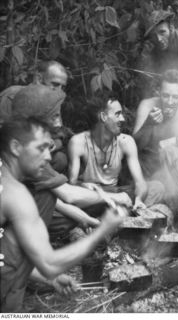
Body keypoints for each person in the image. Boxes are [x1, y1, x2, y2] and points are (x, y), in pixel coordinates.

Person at [0, 117, 121, 312]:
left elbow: (6, 255)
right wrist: (103, 229)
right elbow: (49, 263)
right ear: (15, 147)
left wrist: (53, 279)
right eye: (41, 148)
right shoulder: (15, 195)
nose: (49, 157)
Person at [11, 84, 116, 238]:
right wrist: (114, 197)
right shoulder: (25, 151)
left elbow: (49, 191)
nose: (59, 123)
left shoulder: (21, 141)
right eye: (54, 116)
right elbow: (67, 194)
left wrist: (83, 217)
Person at [68, 95, 164, 210]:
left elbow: (140, 182)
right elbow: (71, 184)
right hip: (92, 195)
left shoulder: (126, 141)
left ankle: (127, 211)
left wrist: (138, 198)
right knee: (77, 197)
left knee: (156, 187)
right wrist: (83, 185)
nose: (122, 119)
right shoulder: (78, 142)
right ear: (103, 117)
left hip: (117, 192)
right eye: (117, 114)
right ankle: (117, 214)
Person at [133, 69, 178, 181]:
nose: (170, 102)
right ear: (158, 92)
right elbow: (134, 147)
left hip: (176, 167)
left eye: (175, 97)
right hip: (149, 165)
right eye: (165, 95)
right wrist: (148, 124)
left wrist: (176, 140)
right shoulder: (147, 106)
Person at [0, 60, 68, 122]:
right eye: (55, 84)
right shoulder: (12, 93)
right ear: (39, 79)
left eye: (62, 87)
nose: (59, 90)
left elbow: (57, 130)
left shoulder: (53, 102)